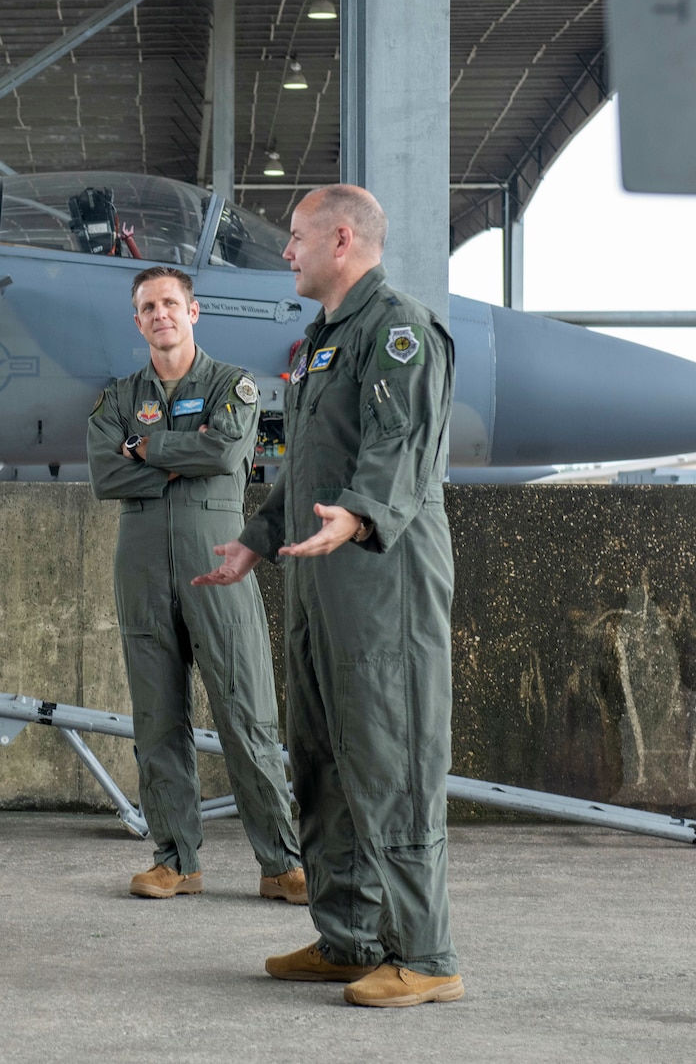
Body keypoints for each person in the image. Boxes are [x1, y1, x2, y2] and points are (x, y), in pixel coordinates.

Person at [194, 185, 462, 1008]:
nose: (286, 252)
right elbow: (309, 464)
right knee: (321, 756)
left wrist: (360, 512)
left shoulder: (399, 330)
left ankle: (426, 954)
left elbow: (401, 447)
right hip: (320, 575)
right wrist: (256, 537)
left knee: (392, 759)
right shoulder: (320, 342)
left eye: (297, 237)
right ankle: (349, 938)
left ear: (341, 239)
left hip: (384, 583)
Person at [86, 265, 306, 903]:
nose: (160, 314)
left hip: (218, 563)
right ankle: (174, 859)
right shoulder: (118, 397)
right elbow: (104, 475)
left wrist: (145, 450)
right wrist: (177, 453)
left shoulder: (230, 385)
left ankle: (280, 864)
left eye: (170, 303)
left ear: (193, 311)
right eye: (148, 306)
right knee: (157, 717)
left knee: (246, 713)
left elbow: (225, 453)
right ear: (138, 320)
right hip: (141, 567)